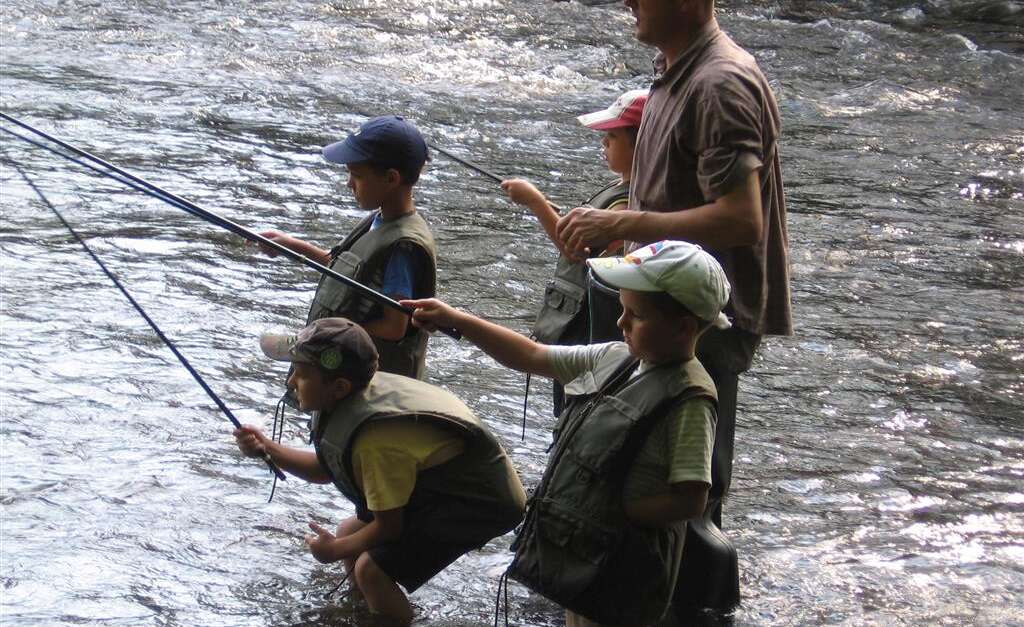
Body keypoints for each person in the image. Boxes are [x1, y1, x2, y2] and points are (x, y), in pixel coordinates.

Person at [555, 0, 793, 613]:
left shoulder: (719, 83)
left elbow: (741, 219)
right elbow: (676, 194)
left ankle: (687, 608)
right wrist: (624, 238)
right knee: (654, 470)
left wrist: (627, 219)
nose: (627, 3)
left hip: (701, 320)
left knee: (687, 489)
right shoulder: (675, 74)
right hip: (663, 310)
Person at [405, 240, 729, 627]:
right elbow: (531, 356)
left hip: (625, 568)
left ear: (684, 327)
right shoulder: (616, 357)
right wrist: (457, 319)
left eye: (635, 316)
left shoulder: (691, 398)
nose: (621, 323)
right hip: (584, 555)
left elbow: (692, 499)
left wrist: (619, 513)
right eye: (623, 310)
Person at [233, 317, 527, 625]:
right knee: (350, 532)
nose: (291, 381)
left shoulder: (376, 443)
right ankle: (361, 610)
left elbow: (389, 528)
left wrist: (332, 551)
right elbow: (326, 469)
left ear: (339, 387)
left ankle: (389, 616)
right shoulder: (346, 399)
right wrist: (268, 448)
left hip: (481, 502)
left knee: (371, 570)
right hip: (445, 485)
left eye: (302, 374)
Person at [256, 115, 437, 381]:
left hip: (373, 387)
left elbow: (395, 326)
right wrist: (290, 246)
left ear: (391, 178)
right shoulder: (379, 219)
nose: (348, 183)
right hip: (343, 377)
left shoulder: (403, 246)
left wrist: (323, 337)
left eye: (356, 175)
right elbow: (345, 267)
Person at [500, 88, 648, 415]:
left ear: (642, 146)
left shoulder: (628, 202)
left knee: (574, 407)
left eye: (611, 139)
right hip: (575, 326)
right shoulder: (618, 189)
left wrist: (535, 202)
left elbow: (577, 251)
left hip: (589, 331)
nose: (603, 145)